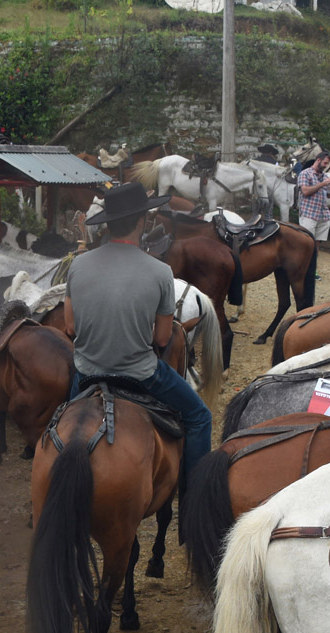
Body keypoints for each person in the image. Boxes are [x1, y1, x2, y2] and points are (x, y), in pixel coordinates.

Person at [64, 181, 212, 490]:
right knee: (200, 417)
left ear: (108, 224)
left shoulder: (77, 265)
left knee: (63, 424)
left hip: (87, 371)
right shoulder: (160, 272)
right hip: (140, 373)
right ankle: (196, 496)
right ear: (142, 221)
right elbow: (160, 339)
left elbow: (71, 328)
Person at [296, 151, 330, 245]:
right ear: (318, 160)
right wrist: (322, 184)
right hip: (309, 213)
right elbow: (305, 191)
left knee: (317, 244)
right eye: (325, 163)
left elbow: (328, 196)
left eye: (327, 164)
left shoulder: (325, 176)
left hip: (323, 215)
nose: (326, 166)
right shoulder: (305, 174)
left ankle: (315, 260)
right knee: (307, 243)